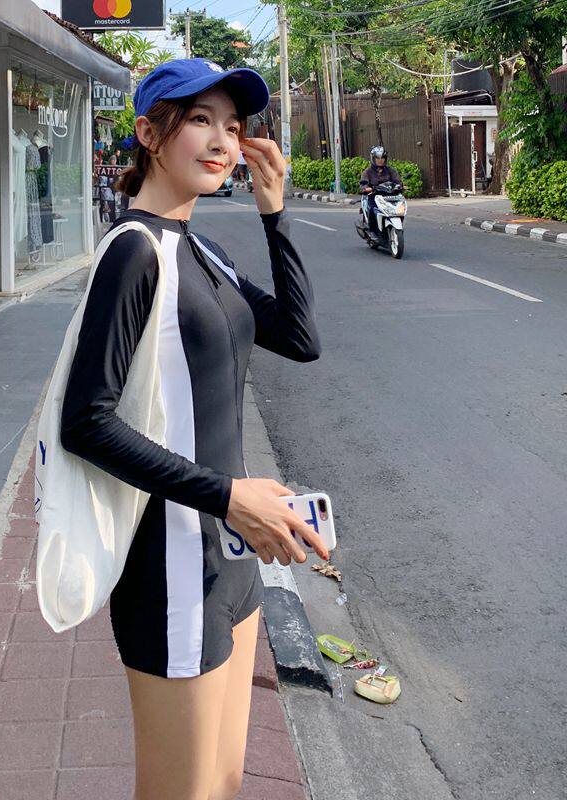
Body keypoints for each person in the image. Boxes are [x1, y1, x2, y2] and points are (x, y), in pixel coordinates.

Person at [59, 58, 329, 800]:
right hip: (170, 564)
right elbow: (85, 423)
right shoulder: (133, 252)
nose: (222, 140)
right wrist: (229, 496)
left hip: (231, 562)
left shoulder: (201, 249)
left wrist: (275, 213)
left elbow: (300, 339)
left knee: (223, 785)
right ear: (150, 134)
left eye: (233, 126)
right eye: (200, 119)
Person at [358, 145, 402, 236]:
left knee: (400, 208)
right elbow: (363, 184)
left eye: (382, 158)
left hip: (390, 196)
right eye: (378, 158)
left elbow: (397, 181)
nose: (380, 160)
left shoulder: (391, 171)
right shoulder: (367, 172)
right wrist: (366, 188)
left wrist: (400, 186)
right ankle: (372, 231)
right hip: (374, 196)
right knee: (372, 210)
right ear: (373, 159)